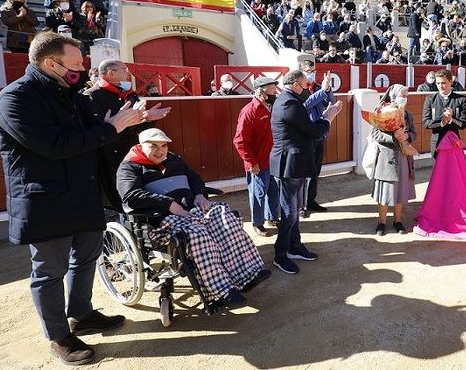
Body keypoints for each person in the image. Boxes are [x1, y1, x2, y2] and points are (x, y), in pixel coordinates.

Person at [0, 32, 147, 365]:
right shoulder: (16, 98)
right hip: (46, 202)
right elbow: (56, 145)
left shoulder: (70, 93)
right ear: (51, 63)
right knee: (49, 271)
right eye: (76, 64)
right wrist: (110, 128)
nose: (83, 69)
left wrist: (126, 123)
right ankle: (58, 335)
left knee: (86, 258)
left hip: (82, 195)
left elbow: (94, 135)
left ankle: (82, 313)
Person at [117, 128, 271, 311]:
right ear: (142, 146)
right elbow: (130, 195)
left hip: (193, 210)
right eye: (153, 146)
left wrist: (199, 194)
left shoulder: (174, 159)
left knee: (225, 219)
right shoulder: (130, 166)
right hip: (164, 218)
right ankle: (222, 291)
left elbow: (195, 178)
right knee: (198, 234)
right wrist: (168, 204)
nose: (160, 151)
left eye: (163, 146)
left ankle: (247, 275)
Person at [269, 69, 342, 274]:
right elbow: (312, 131)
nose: (307, 89)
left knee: (295, 210)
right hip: (289, 165)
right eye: (304, 85)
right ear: (295, 85)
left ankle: (294, 246)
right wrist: (328, 118)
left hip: (294, 163)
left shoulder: (288, 100)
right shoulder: (289, 103)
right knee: (290, 212)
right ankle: (280, 254)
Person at [83, 59, 170, 211]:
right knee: (118, 202)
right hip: (109, 159)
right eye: (125, 70)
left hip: (133, 154)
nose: (128, 74)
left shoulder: (129, 95)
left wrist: (148, 118)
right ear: (111, 73)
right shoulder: (91, 97)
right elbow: (96, 132)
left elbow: (139, 127)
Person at [233, 77, 280, 236]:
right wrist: (251, 163)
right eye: (272, 89)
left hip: (272, 160)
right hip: (258, 162)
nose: (275, 91)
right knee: (258, 194)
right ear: (261, 91)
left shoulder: (272, 107)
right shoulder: (249, 111)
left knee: (274, 191)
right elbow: (239, 141)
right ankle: (257, 223)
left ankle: (272, 217)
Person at [368, 85, 416, 236]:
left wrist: (407, 136)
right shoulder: (382, 112)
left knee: (400, 190)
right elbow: (375, 135)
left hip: (403, 156)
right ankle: (381, 222)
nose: (404, 98)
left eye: (406, 95)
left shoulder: (407, 115)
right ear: (394, 95)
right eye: (402, 95)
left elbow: (414, 133)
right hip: (386, 157)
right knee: (385, 191)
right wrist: (392, 136)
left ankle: (398, 220)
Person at [300, 60, 334, 216]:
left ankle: (311, 201)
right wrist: (323, 91)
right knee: (302, 172)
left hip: (318, 134)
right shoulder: (299, 91)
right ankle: (301, 205)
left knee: (315, 171)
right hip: (304, 136)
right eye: (308, 71)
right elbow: (306, 105)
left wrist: (327, 89)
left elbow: (329, 101)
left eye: (313, 70)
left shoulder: (319, 88)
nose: (311, 73)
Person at [422, 69, 466, 156]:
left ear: (450, 82)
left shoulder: (461, 100)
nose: (440, 86)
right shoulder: (430, 99)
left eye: (443, 83)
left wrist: (451, 120)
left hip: (454, 139)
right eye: (438, 83)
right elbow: (425, 123)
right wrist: (441, 122)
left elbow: (463, 124)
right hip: (436, 140)